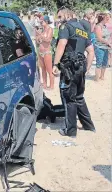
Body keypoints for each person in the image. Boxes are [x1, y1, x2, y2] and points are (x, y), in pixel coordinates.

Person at [53, 7, 96, 137]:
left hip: (69, 67)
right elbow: (91, 51)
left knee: (68, 99)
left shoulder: (66, 27)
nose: (59, 20)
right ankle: (89, 126)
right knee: (79, 97)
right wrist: (86, 68)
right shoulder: (82, 28)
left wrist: (55, 64)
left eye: (60, 17)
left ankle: (70, 130)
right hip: (80, 66)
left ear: (67, 14)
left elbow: (61, 44)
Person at [36, 15, 54, 90]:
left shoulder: (50, 29)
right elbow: (38, 42)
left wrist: (40, 36)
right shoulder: (42, 30)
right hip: (40, 52)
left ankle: (52, 85)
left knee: (49, 70)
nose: (40, 23)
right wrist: (37, 36)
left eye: (42, 22)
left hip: (47, 52)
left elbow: (48, 40)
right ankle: (45, 84)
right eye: (40, 22)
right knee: (43, 69)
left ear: (46, 22)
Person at [94, 13, 112, 81]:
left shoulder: (104, 26)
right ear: (102, 18)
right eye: (106, 17)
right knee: (99, 63)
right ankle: (97, 78)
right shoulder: (98, 26)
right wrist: (108, 43)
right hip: (100, 47)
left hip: (106, 47)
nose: (108, 18)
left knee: (104, 62)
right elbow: (99, 38)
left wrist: (109, 42)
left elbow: (108, 35)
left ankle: (102, 76)